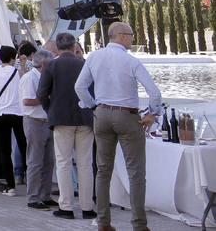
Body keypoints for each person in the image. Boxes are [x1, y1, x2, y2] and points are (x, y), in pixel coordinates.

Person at [75, 21, 161, 231]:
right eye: (131, 35)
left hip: (102, 114)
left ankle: (104, 222)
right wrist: (152, 113)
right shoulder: (131, 61)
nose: (133, 38)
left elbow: (80, 86)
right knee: (136, 172)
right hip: (126, 115)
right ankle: (139, 225)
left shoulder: (94, 57)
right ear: (122, 36)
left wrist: (93, 106)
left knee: (103, 170)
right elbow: (154, 93)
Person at [37, 31, 95, 220]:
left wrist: (50, 109)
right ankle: (87, 207)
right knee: (85, 163)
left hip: (61, 119)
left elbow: (41, 93)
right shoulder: (84, 64)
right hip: (84, 119)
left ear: (57, 47)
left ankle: (67, 207)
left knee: (63, 163)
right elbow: (93, 91)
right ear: (73, 46)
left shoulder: (51, 65)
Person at [0, 44, 28, 193]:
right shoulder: (17, 72)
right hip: (17, 113)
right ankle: (30, 180)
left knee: (4, 151)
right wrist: (23, 65)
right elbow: (25, 84)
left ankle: (10, 186)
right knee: (24, 147)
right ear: (13, 58)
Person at [20, 49, 56, 209]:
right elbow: (27, 101)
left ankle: (45, 195)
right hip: (34, 120)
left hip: (47, 120)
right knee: (35, 161)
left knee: (49, 161)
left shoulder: (46, 77)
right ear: (44, 63)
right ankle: (33, 197)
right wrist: (47, 98)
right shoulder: (30, 78)